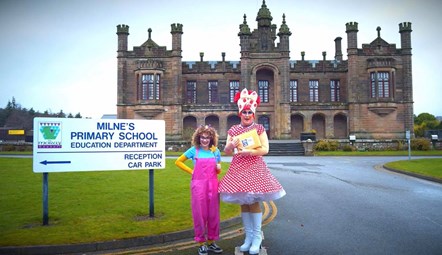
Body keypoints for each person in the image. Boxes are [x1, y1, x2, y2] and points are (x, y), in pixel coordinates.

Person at [219, 88, 286, 255]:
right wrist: (231, 145)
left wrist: (250, 152)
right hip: (238, 167)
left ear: (253, 113)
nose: (247, 115)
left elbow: (265, 149)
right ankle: (248, 237)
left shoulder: (259, 129)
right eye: (244, 112)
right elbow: (226, 151)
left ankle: (256, 237)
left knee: (253, 201)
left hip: (255, 167)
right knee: (244, 202)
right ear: (240, 113)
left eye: (249, 112)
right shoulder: (233, 130)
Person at [175, 125, 223, 255]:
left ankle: (212, 241)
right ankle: (201, 243)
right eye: (202, 137)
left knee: (213, 214)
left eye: (207, 138)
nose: (205, 140)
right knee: (199, 214)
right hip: (198, 185)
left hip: (213, 184)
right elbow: (178, 161)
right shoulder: (193, 151)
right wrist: (192, 171)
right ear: (198, 138)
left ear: (212, 139)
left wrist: (218, 167)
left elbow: (218, 170)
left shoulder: (215, 151)